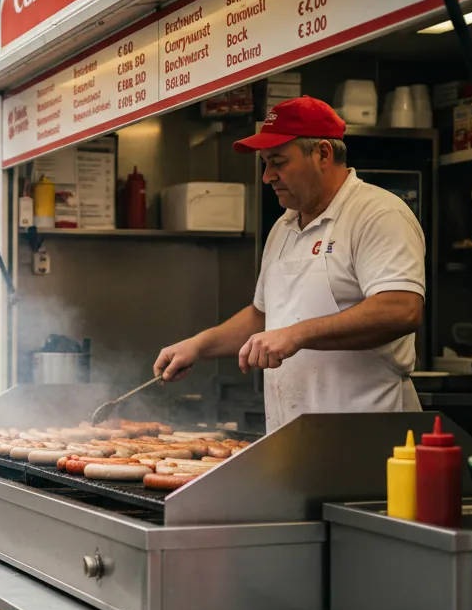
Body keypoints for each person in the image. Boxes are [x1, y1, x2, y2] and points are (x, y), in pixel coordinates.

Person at [153, 97, 425, 433]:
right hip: (292, 437)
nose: (268, 176)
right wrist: (198, 345)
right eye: (265, 163)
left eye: (278, 162)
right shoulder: (284, 227)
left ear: (323, 154)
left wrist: (296, 335)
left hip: (367, 436)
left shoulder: (378, 214)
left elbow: (401, 310)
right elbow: (264, 317)